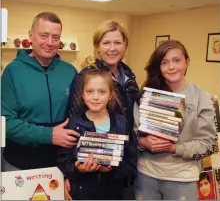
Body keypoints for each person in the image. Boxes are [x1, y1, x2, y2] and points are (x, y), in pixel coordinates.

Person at [65, 19, 139, 200]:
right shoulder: (86, 76)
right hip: (90, 170)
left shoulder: (130, 76)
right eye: (106, 42)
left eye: (117, 42)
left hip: (122, 167)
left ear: (125, 46)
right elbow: (74, 123)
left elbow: (132, 122)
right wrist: (70, 172)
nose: (112, 48)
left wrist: (127, 166)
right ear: (97, 46)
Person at [133, 40, 217, 200]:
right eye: (164, 62)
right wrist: (143, 142)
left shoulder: (202, 97)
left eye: (177, 60)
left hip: (183, 178)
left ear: (187, 62)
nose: (171, 67)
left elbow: (208, 145)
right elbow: (133, 134)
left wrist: (174, 148)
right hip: (146, 175)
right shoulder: (145, 94)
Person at [1, 12, 79, 171]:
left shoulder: (70, 72)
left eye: (55, 37)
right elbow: (6, 122)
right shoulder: (12, 72)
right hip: (20, 164)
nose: (50, 43)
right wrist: (49, 135)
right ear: (30, 35)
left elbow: (80, 114)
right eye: (44, 35)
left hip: (61, 163)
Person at [57, 68, 134, 200]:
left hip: (112, 193)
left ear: (110, 95)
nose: (95, 97)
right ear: (82, 94)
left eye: (102, 92)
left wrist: (111, 168)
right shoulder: (73, 124)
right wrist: (78, 170)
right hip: (81, 193)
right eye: (89, 91)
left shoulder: (122, 123)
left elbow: (130, 161)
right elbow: (63, 161)